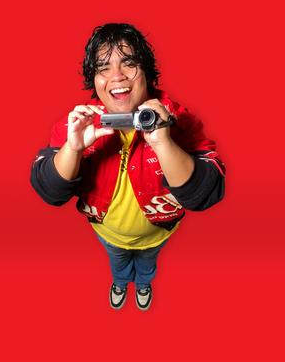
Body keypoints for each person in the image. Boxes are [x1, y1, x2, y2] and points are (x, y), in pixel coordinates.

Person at [30, 23, 225, 311]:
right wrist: (74, 148)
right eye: (103, 68)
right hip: (108, 233)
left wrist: (163, 142)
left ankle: (143, 283)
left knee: (147, 265)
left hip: (158, 232)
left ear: (146, 71)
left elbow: (207, 194)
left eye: (129, 63)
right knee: (118, 264)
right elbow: (50, 192)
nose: (117, 76)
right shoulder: (78, 123)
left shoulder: (177, 120)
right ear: (95, 80)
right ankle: (121, 283)